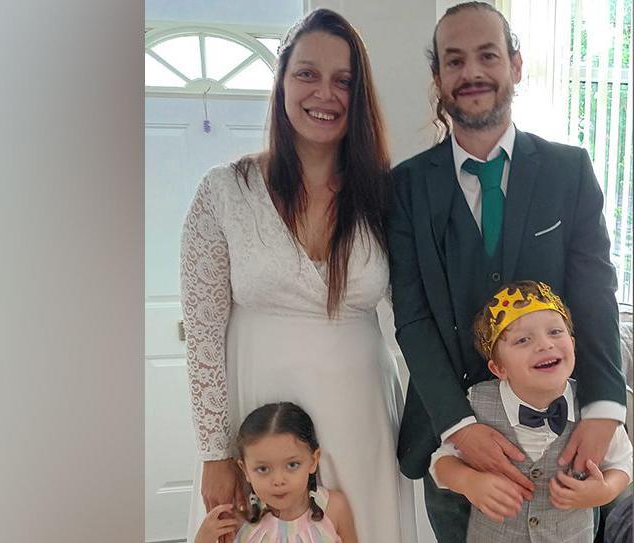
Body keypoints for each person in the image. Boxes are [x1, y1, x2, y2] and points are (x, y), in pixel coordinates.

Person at [388, 2, 627, 540]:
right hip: (454, 447)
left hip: (560, 436)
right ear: (438, 78)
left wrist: (606, 406)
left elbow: (595, 295)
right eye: (454, 61)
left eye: (487, 55)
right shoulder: (404, 188)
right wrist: (460, 425)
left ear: (515, 65)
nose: (471, 72)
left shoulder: (570, 171)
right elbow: (413, 318)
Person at [180, 8, 415, 543]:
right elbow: (201, 332)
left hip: (360, 416)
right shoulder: (224, 191)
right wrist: (216, 452)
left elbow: (410, 322)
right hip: (257, 411)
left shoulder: (386, 196)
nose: (324, 93)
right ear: (282, 81)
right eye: (307, 74)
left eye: (343, 81)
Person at [430, 281, 632, 542]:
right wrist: (469, 482)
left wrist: (603, 492)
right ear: (498, 368)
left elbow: (623, 463)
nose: (544, 345)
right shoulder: (476, 404)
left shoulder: (593, 409)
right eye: (523, 339)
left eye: (555, 332)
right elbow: (441, 463)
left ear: (572, 343)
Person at [195, 402, 359, 543]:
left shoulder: (334, 508)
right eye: (263, 469)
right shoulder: (239, 518)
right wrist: (203, 539)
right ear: (245, 469)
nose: (278, 480)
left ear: (313, 461)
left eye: (292, 465)